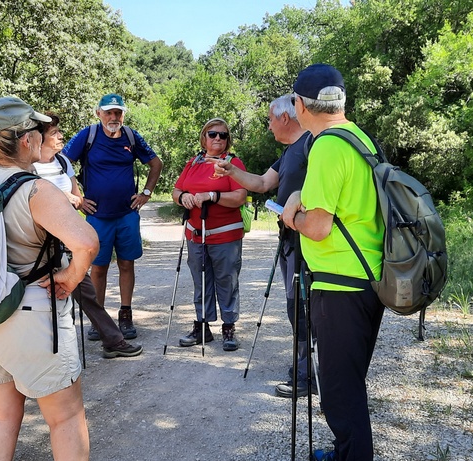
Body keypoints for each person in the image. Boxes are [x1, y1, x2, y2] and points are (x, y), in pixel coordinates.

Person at [0, 96, 98, 460]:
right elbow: (86, 243)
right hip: (30, 314)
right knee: (65, 416)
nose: (42, 136)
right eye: (37, 130)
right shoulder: (35, 190)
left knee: (0, 416)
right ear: (24, 140)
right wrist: (68, 277)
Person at [282, 64, 386, 461]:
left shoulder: (326, 146)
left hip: (339, 283)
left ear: (301, 105)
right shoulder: (359, 137)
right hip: (368, 278)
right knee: (349, 384)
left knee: (341, 396)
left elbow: (319, 226)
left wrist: (292, 212)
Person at [211, 95, 314, 396]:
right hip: (290, 240)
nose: (269, 126)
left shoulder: (312, 144)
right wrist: (231, 171)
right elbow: (261, 183)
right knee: (296, 304)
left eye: (270, 119)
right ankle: (306, 366)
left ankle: (308, 375)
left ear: (285, 117)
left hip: (308, 242)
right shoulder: (290, 151)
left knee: (302, 304)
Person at [34, 112, 142, 358]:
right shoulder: (29, 167)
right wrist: (67, 200)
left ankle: (111, 340)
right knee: (56, 293)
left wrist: (79, 202)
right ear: (39, 139)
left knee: (83, 289)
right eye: (54, 133)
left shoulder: (63, 162)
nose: (61, 136)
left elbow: (76, 197)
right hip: (38, 244)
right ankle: (57, 348)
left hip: (64, 241)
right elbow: (31, 197)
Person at [62, 93, 163, 340]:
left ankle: (125, 315)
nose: (113, 117)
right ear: (99, 113)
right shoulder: (89, 135)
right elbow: (62, 162)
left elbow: (156, 163)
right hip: (98, 216)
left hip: (127, 214)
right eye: (108, 112)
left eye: (118, 112)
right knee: (98, 268)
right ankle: (99, 320)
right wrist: (77, 196)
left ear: (123, 115)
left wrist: (146, 193)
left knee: (127, 264)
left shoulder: (131, 136)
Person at [171, 118, 248, 351]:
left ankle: (229, 328)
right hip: (195, 234)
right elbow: (176, 190)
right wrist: (182, 197)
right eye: (213, 134)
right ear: (204, 137)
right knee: (200, 280)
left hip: (225, 235)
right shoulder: (193, 163)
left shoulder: (233, 164)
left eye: (223, 135)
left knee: (227, 279)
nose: (217, 139)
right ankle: (202, 326)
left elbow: (240, 197)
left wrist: (213, 196)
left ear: (228, 140)